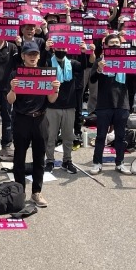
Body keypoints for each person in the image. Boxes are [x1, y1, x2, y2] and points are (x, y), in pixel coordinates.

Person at [7, 41, 60, 207]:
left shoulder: (46, 74)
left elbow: (51, 100)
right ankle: (19, 191)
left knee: (39, 158)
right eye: (29, 54)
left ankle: (37, 192)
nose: (32, 57)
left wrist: (55, 89)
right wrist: (13, 89)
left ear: (38, 56)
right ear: (23, 56)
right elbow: (10, 100)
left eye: (35, 54)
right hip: (22, 118)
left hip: (41, 119)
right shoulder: (16, 74)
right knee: (19, 157)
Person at [89, 33, 136, 175]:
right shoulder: (101, 60)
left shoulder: (127, 61)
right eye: (112, 43)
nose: (115, 45)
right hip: (104, 104)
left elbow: (134, 82)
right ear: (105, 46)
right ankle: (97, 163)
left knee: (120, 136)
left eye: (117, 43)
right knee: (101, 136)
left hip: (122, 103)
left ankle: (120, 163)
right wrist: (100, 69)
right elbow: (93, 79)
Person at [45, 42, 94, 175]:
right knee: (51, 136)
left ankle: (67, 160)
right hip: (52, 105)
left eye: (63, 48)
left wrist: (84, 52)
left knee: (68, 136)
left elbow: (85, 66)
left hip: (69, 105)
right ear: (54, 49)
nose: (61, 50)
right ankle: (49, 160)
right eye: (58, 48)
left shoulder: (72, 63)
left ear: (68, 49)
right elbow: (40, 65)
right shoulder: (48, 62)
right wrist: (47, 50)